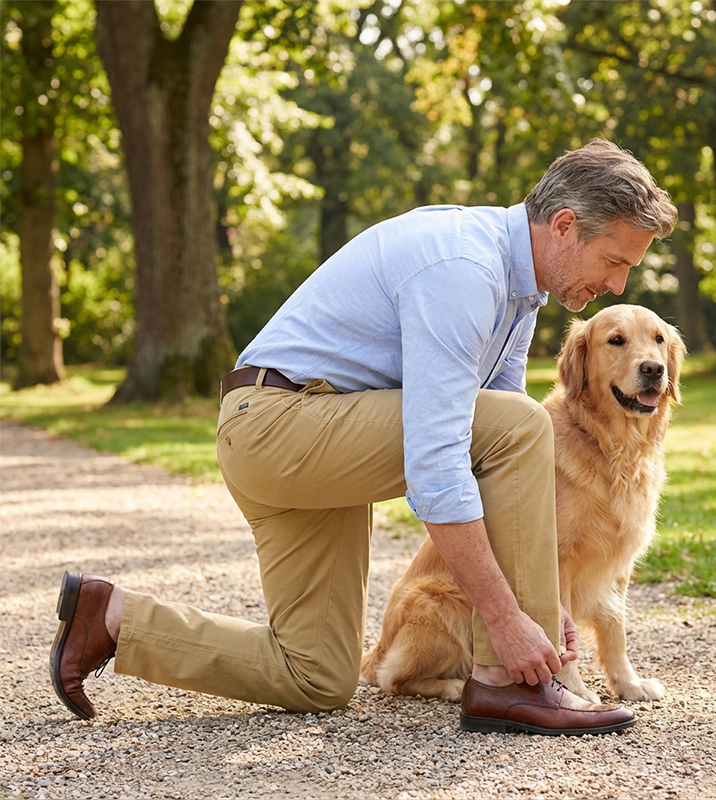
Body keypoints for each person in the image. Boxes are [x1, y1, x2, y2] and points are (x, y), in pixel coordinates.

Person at [50, 139, 677, 736]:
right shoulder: (465, 267)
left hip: (308, 442)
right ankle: (507, 684)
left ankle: (111, 618)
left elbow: (504, 455)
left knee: (316, 677)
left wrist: (541, 598)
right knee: (527, 423)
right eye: (615, 261)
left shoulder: (520, 290)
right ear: (565, 226)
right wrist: (511, 621)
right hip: (279, 424)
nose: (617, 285)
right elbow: (445, 459)